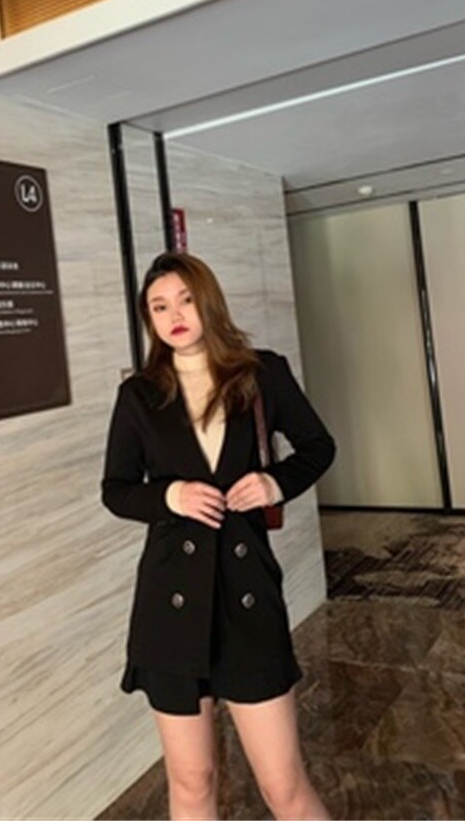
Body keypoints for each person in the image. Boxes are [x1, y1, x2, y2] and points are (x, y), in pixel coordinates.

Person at [101, 251, 336, 821]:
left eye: (185, 300)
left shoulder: (261, 373)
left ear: (208, 301)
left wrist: (274, 484)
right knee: (191, 781)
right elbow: (116, 489)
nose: (174, 315)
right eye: (159, 306)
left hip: (246, 595)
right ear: (148, 318)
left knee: (284, 786)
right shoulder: (139, 395)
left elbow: (317, 448)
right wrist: (170, 496)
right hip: (170, 604)